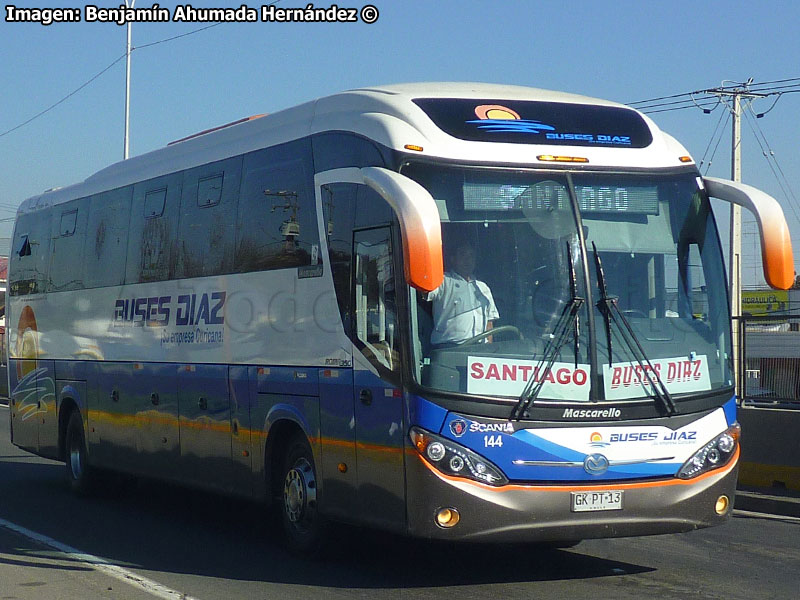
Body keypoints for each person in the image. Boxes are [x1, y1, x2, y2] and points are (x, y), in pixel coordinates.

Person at [427, 242, 499, 346]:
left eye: (471, 256)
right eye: (462, 255)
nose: (467, 260)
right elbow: (424, 291)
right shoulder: (443, 281)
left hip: (481, 350)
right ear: (453, 259)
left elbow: (489, 321)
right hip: (449, 348)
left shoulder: (483, 287)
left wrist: (489, 348)